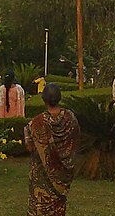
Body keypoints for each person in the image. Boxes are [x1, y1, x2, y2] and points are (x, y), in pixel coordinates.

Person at [24, 84, 80, 216]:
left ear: (44, 99)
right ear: (59, 98)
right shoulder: (70, 118)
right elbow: (76, 138)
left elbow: (29, 146)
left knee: (39, 208)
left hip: (41, 175)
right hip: (63, 175)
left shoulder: (36, 123)